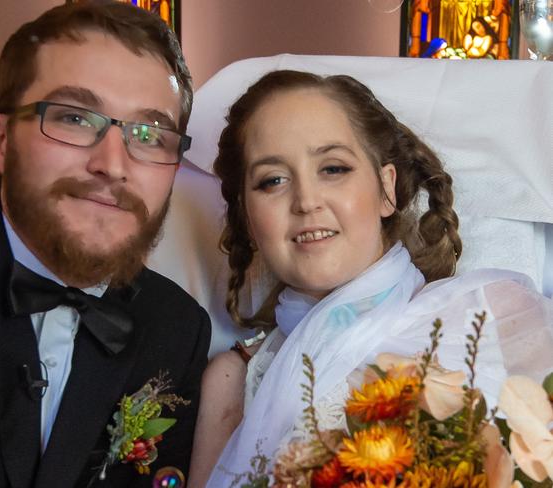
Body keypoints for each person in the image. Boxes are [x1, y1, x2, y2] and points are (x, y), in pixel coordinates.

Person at [187, 70, 553, 487]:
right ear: (248, 216)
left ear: (386, 189)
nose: (307, 201)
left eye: (333, 168)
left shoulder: (492, 315)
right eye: (273, 180)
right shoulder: (234, 381)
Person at [0, 2, 211, 487]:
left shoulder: (177, 327)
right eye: (74, 118)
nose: (113, 164)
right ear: (0, 141)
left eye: (149, 134)